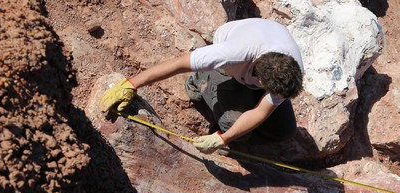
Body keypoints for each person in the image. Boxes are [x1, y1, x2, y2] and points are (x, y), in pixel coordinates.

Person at [99, 18, 304, 154]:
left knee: (284, 130)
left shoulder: (288, 71)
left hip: (260, 60)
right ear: (261, 80)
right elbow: (179, 63)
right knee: (233, 124)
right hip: (230, 62)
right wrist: (131, 84)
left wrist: (222, 140)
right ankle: (200, 81)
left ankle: (230, 129)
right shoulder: (230, 54)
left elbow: (261, 112)